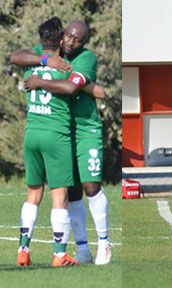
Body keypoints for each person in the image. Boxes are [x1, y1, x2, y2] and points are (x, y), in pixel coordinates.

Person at [13, 20, 112, 264]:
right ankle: (82, 250)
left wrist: (40, 81)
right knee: (72, 191)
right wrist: (46, 61)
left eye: (77, 40)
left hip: (85, 127)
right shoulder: (48, 53)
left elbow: (69, 87)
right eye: (68, 36)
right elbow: (16, 56)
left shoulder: (86, 59)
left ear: (84, 43)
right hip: (61, 130)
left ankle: (104, 243)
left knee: (90, 186)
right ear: (60, 37)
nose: (70, 42)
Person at [15, 17, 79, 267]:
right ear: (62, 39)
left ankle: (23, 250)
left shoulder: (31, 64)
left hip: (32, 133)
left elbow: (16, 56)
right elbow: (71, 88)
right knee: (59, 194)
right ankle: (59, 254)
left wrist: (41, 62)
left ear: (41, 40)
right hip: (55, 134)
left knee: (33, 193)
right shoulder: (65, 66)